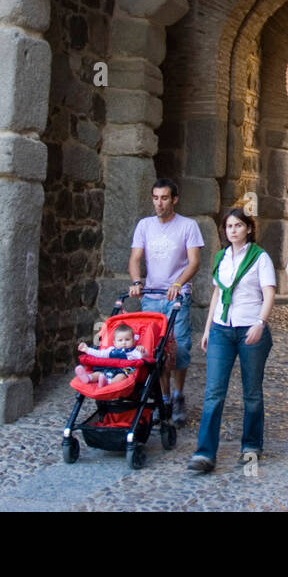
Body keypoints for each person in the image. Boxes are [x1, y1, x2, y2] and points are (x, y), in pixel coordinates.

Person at [185, 207, 276, 475]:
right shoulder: (221, 258)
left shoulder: (260, 258)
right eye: (228, 226)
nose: (233, 230)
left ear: (248, 228)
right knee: (213, 392)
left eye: (238, 225)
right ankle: (204, 453)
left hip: (250, 328)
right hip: (222, 331)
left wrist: (261, 322)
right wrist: (207, 327)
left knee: (251, 393)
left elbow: (268, 293)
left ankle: (251, 447)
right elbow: (217, 293)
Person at [129, 178, 203, 425]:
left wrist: (178, 284)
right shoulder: (144, 225)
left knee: (179, 346)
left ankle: (178, 394)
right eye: (155, 198)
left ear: (174, 200)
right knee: (156, 350)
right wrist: (137, 282)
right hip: (151, 296)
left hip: (176, 296)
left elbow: (194, 261)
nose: (159, 203)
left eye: (164, 198)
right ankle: (164, 397)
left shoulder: (188, 226)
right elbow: (135, 257)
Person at [74, 323, 145, 387]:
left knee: (122, 376)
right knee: (99, 373)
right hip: (109, 368)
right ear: (114, 343)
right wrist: (87, 349)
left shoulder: (134, 351)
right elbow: (99, 354)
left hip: (124, 369)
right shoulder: (110, 350)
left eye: (127, 339)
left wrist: (142, 351)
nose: (124, 343)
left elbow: (142, 358)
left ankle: (108, 382)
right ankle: (88, 378)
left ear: (133, 341)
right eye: (120, 340)